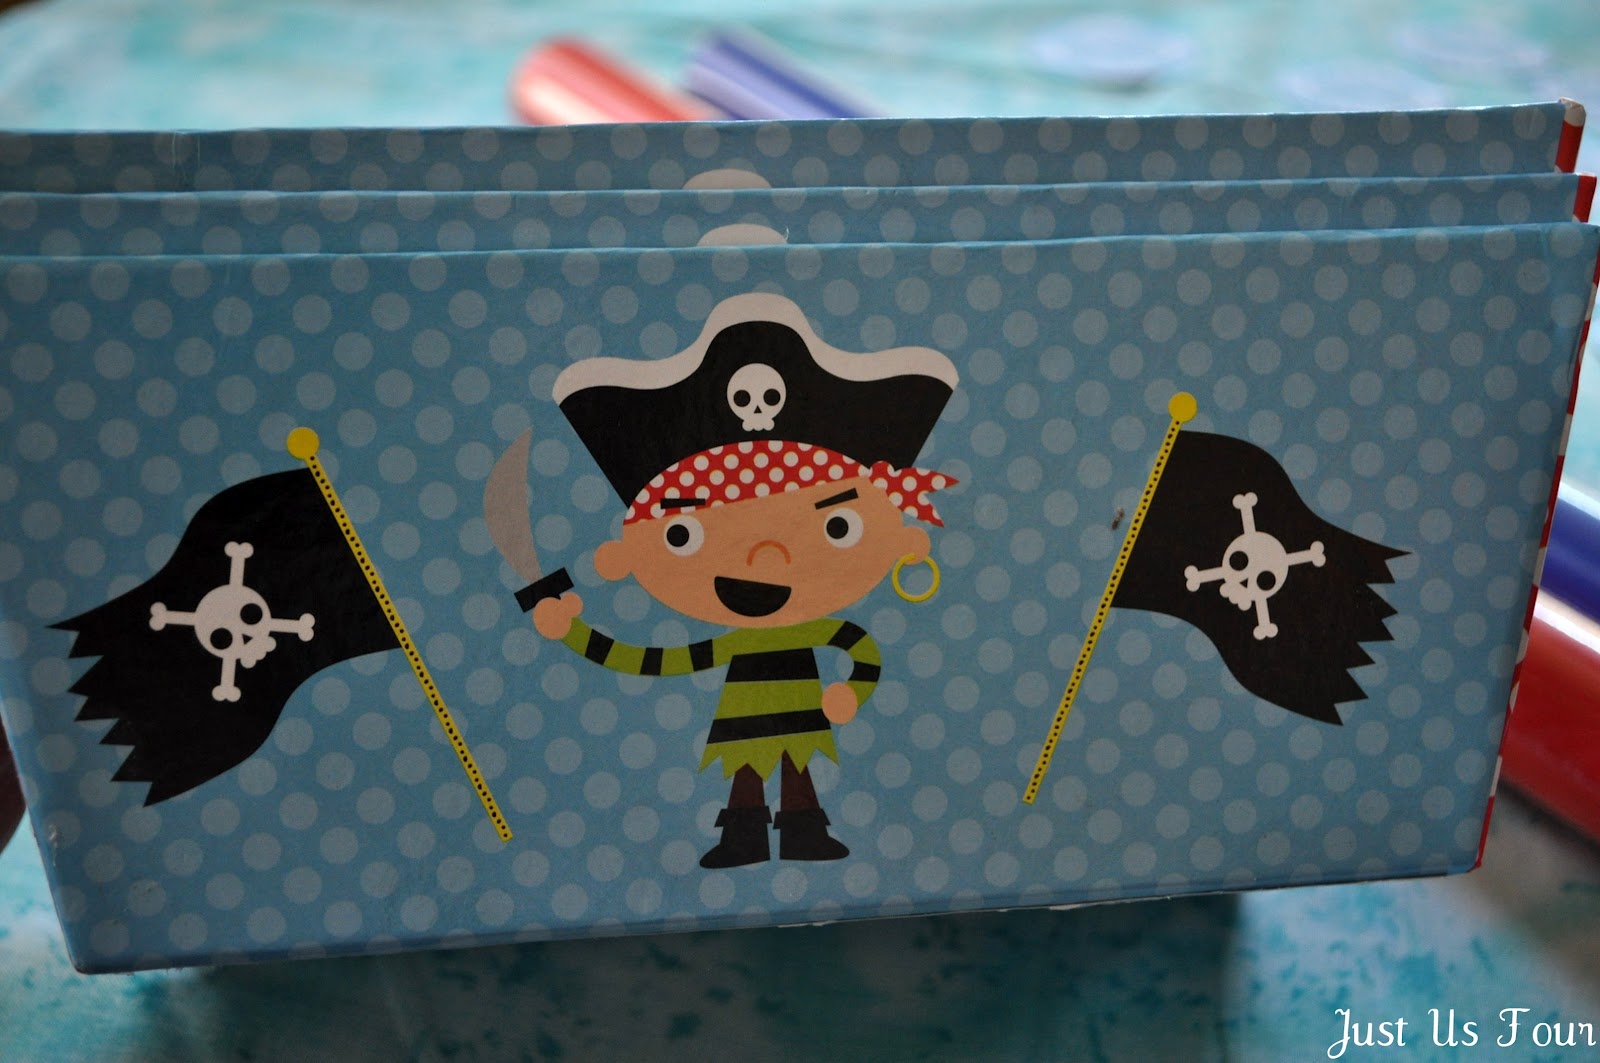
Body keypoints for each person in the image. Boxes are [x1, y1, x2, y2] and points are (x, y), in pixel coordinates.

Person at [530, 292, 957, 867]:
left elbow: (862, 652)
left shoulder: (802, 632)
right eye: (684, 534)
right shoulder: (750, 640)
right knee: (749, 768)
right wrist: (572, 631)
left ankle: (801, 830)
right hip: (750, 717)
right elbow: (652, 660)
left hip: (799, 712)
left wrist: (849, 693)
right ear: (623, 556)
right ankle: (746, 834)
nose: (763, 561)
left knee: (795, 766)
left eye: (836, 527)